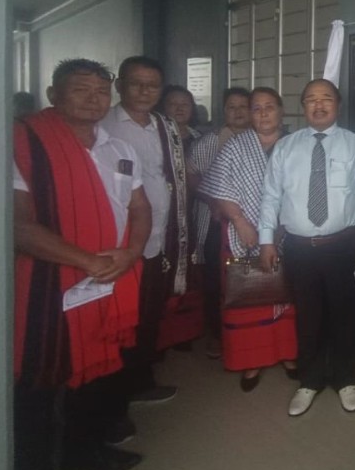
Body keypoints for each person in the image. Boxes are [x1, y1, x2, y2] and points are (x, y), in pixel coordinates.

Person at [12, 59, 151, 470]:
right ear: (54, 95)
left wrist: (130, 253)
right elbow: (18, 226)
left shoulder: (119, 148)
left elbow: (141, 209)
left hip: (111, 275)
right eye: (80, 90)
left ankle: (84, 451)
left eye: (100, 91)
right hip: (49, 283)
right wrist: (87, 261)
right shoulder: (24, 142)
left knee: (99, 373)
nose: (94, 99)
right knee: (42, 384)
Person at [258, 78, 355, 416]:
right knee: (308, 315)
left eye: (326, 98)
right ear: (302, 107)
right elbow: (270, 196)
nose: (319, 104)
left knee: (346, 313)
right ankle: (309, 380)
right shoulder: (286, 147)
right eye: (311, 99)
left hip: (345, 245)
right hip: (299, 247)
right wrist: (266, 240)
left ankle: (345, 378)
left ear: (337, 105)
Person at [100, 55, 190, 403]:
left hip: (158, 239)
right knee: (118, 321)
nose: (144, 91)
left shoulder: (164, 125)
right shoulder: (104, 124)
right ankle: (113, 396)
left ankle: (140, 382)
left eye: (152, 85)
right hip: (120, 242)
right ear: (120, 85)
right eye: (136, 83)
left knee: (149, 313)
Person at [200, 87, 297, 390]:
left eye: (270, 106)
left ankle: (288, 354)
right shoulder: (236, 146)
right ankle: (250, 361)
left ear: (282, 111)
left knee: (286, 294)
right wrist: (241, 222)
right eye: (257, 108)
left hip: (289, 234)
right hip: (242, 234)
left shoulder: (297, 145)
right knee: (248, 296)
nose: (264, 113)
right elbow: (218, 185)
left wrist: (282, 228)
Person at [187, 87, 252, 358]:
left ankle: (248, 334)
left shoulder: (259, 139)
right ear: (223, 111)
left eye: (242, 107)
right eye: (231, 107)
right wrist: (213, 199)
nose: (237, 112)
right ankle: (218, 334)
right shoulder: (208, 142)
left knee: (250, 279)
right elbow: (191, 176)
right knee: (217, 280)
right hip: (216, 222)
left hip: (251, 223)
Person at [158, 85, 202, 153]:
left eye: (185, 104)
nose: (179, 109)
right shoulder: (155, 136)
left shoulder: (200, 138)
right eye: (173, 104)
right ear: (164, 107)